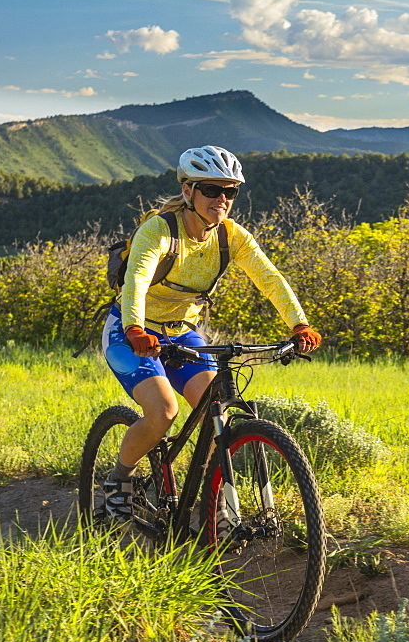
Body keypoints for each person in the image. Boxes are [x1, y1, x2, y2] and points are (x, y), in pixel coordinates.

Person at [100, 145, 321, 522]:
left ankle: (211, 501)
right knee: (164, 411)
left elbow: (270, 279)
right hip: (131, 332)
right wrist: (135, 327)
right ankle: (119, 480)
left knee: (212, 415)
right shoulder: (158, 230)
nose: (221, 199)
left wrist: (298, 323)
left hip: (184, 333)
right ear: (188, 191)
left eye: (230, 191)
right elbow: (136, 279)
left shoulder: (232, 236)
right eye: (211, 189)